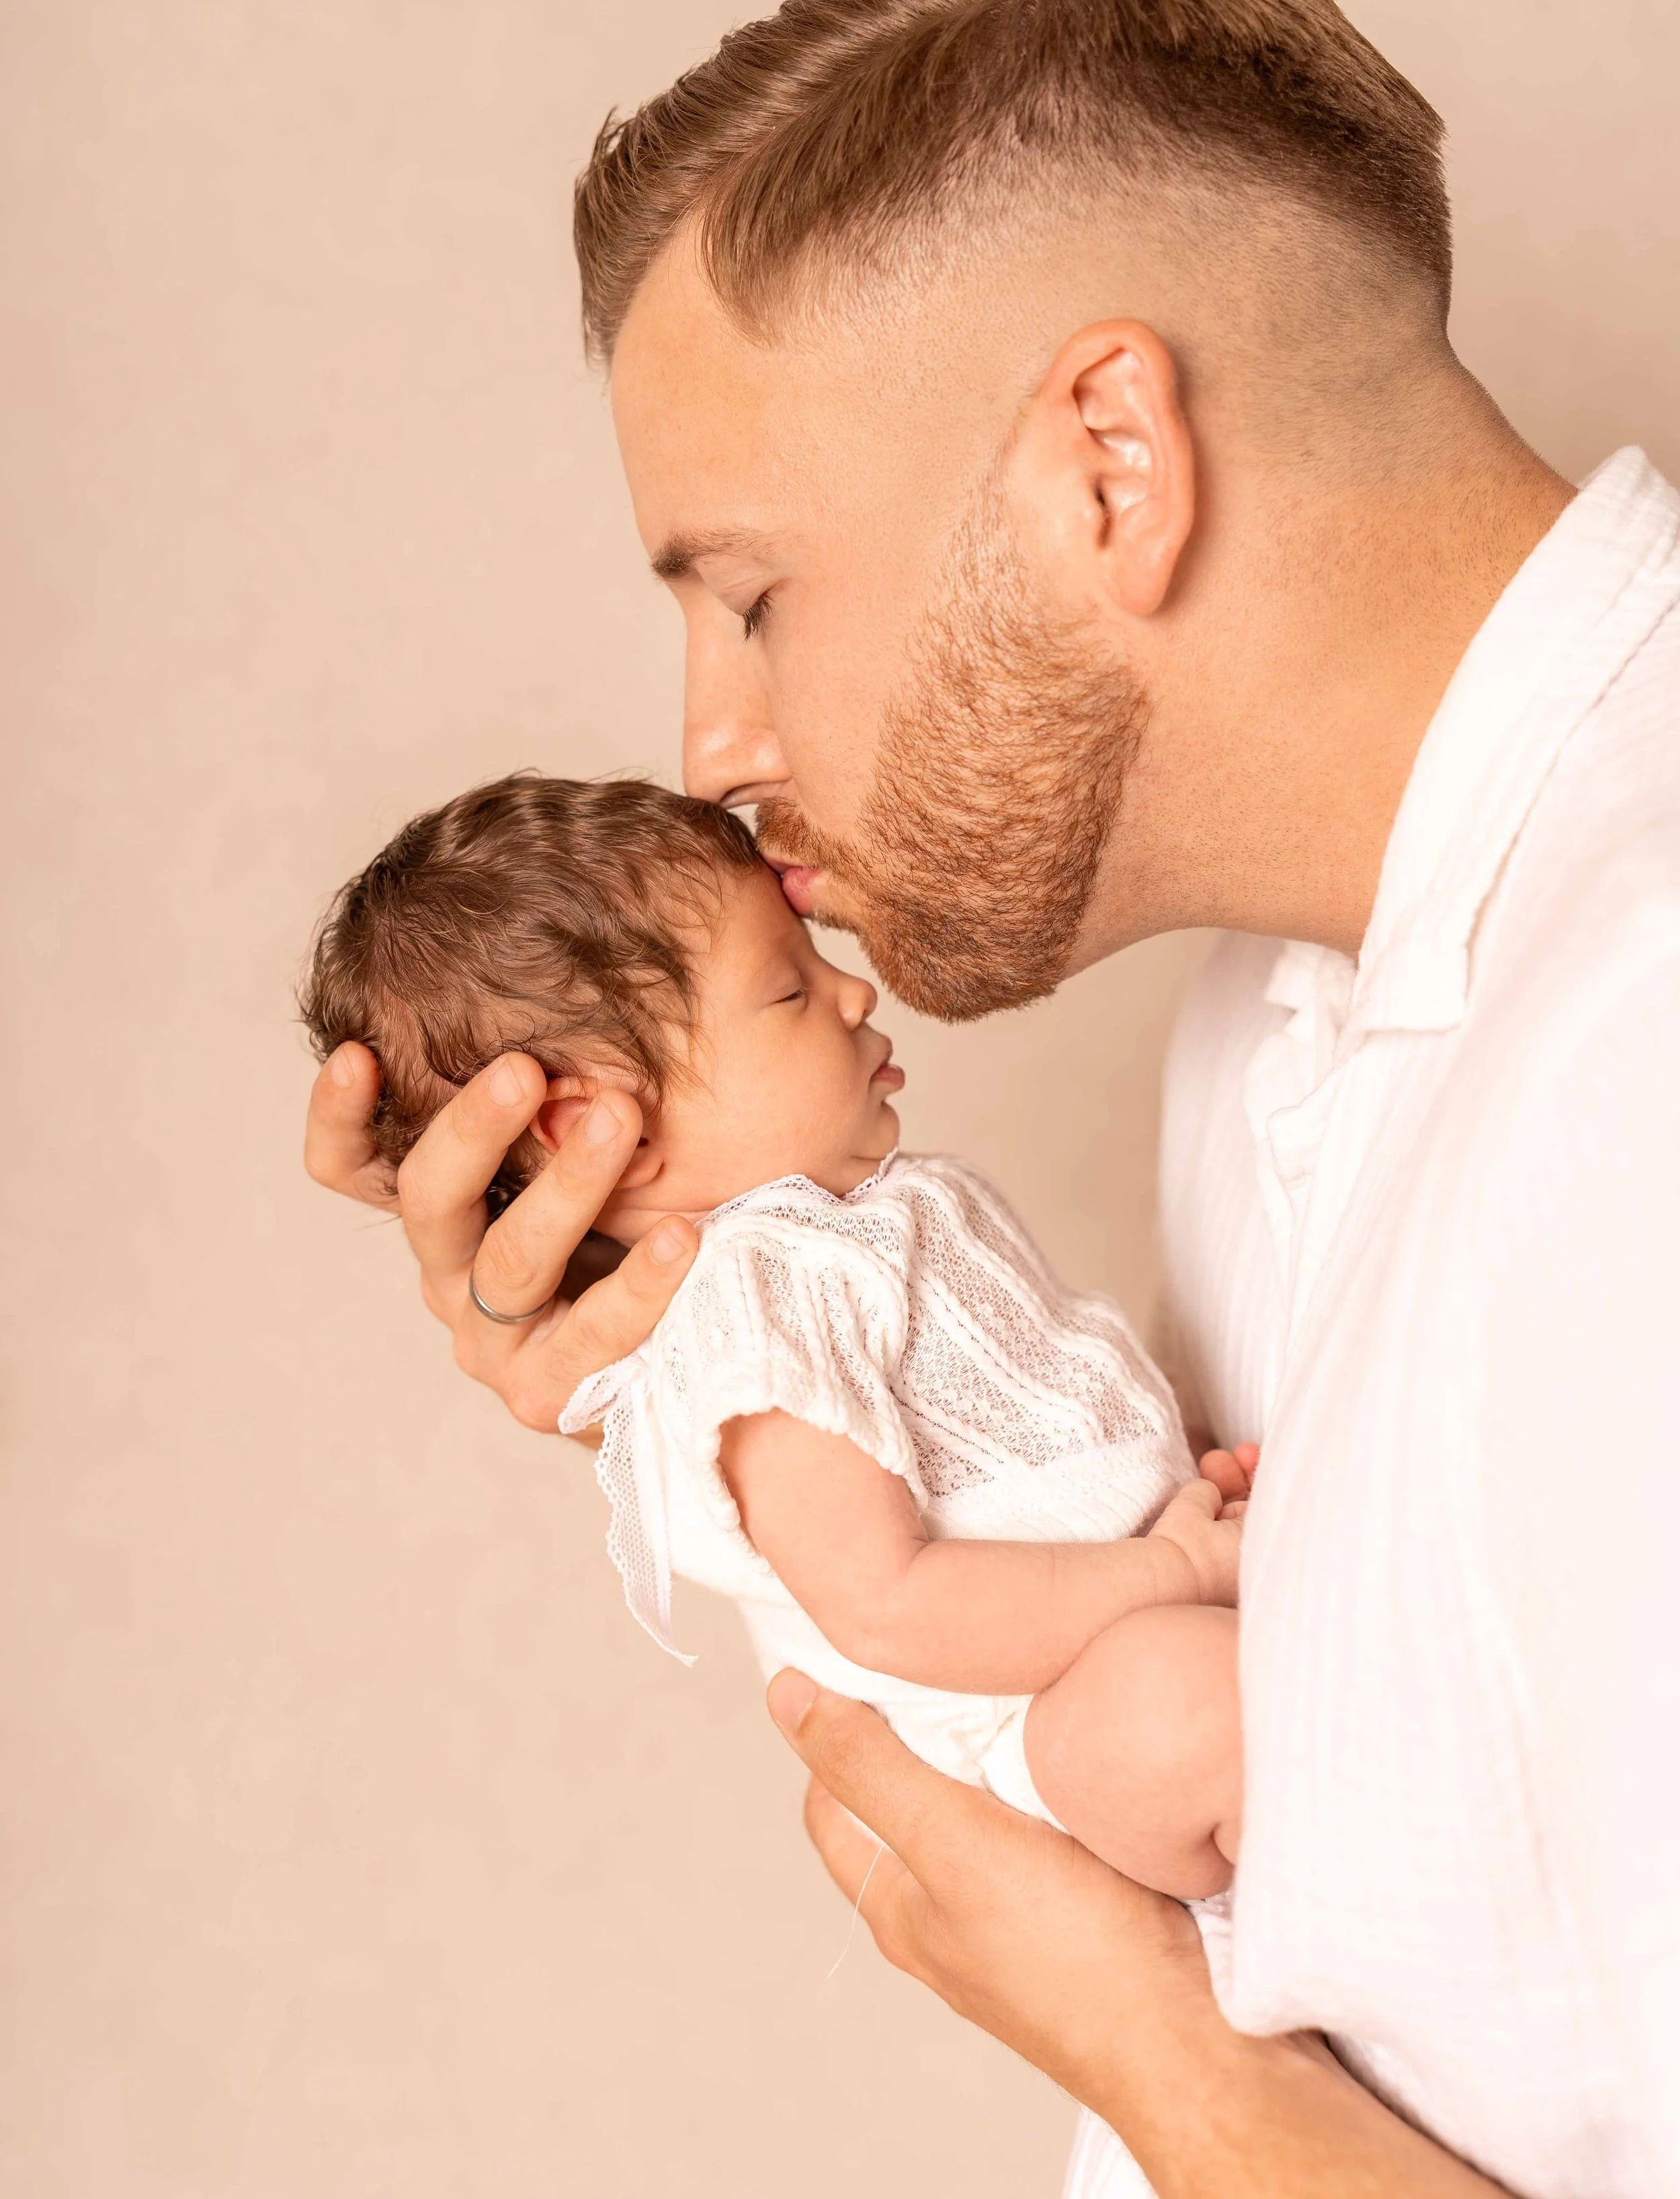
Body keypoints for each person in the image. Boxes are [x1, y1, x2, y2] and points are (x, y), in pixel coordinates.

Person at [303, 0, 1680, 2196]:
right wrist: (698, 1344)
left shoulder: (1637, 1056)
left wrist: (1151, 2053)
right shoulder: (1275, 1013)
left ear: (1109, 462)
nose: (713, 745)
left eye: (749, 594)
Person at [298, 769, 1249, 1897]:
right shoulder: (751, 1308)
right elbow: (888, 1603)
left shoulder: (851, 1221)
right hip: (1029, 1727)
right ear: (604, 1129)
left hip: (1122, 1609)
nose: (853, 992)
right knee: (1190, 1707)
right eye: (789, 988)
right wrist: (1172, 1569)